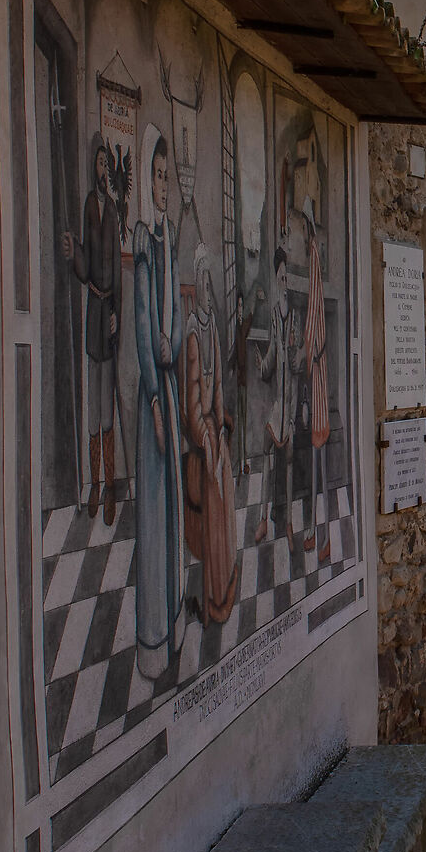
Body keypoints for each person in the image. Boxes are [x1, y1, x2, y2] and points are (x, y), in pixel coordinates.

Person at [132, 135, 186, 682]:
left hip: (169, 390)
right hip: (154, 397)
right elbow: (144, 323)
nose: (164, 186)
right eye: (157, 178)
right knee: (153, 515)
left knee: (171, 513)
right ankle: (152, 640)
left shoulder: (169, 240)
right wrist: (153, 395)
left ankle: (173, 623)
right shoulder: (145, 242)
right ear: (147, 184)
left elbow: (170, 320)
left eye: (168, 178)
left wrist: (173, 339)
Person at [60, 130, 122, 524]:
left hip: (108, 313)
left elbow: (115, 263)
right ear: (92, 168)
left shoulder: (113, 210)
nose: (103, 169)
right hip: (92, 311)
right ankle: (96, 485)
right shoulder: (87, 206)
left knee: (107, 406)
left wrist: (116, 308)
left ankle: (112, 485)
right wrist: (74, 252)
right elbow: (84, 270)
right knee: (93, 406)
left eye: (105, 163)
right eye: (99, 163)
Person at [183, 248, 238, 626]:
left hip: (214, 439)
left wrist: (221, 431)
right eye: (203, 282)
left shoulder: (212, 327)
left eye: (209, 283)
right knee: (205, 532)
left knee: (224, 524)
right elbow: (192, 396)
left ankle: (221, 599)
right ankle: (207, 602)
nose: (207, 288)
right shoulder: (191, 333)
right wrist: (206, 438)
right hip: (199, 446)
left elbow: (218, 386)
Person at [254, 247, 296, 548]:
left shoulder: (293, 316)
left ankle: (290, 523)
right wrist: (262, 364)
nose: (285, 282)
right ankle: (263, 519)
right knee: (267, 452)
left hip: (291, 402)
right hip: (276, 404)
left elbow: (297, 361)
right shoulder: (274, 314)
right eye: (281, 277)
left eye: (287, 277)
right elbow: (271, 355)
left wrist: (294, 352)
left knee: (289, 460)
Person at [301, 203, 332, 564]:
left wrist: (305, 356)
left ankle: (320, 535)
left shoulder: (313, 263)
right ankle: (313, 531)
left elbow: (314, 326)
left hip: (317, 378)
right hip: (315, 375)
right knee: (314, 456)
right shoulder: (313, 263)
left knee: (318, 455)